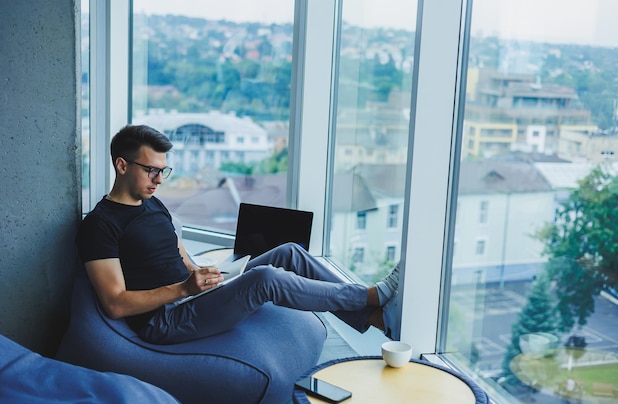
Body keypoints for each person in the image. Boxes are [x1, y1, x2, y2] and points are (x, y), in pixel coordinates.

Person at [76, 124, 400, 345]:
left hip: (192, 295)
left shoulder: (154, 204)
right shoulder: (101, 224)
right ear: (121, 165)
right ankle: (368, 297)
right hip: (163, 320)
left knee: (289, 252)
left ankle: (375, 319)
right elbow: (115, 304)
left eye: (163, 170)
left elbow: (182, 259)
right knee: (265, 279)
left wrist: (205, 275)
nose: (160, 179)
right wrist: (184, 288)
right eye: (152, 170)